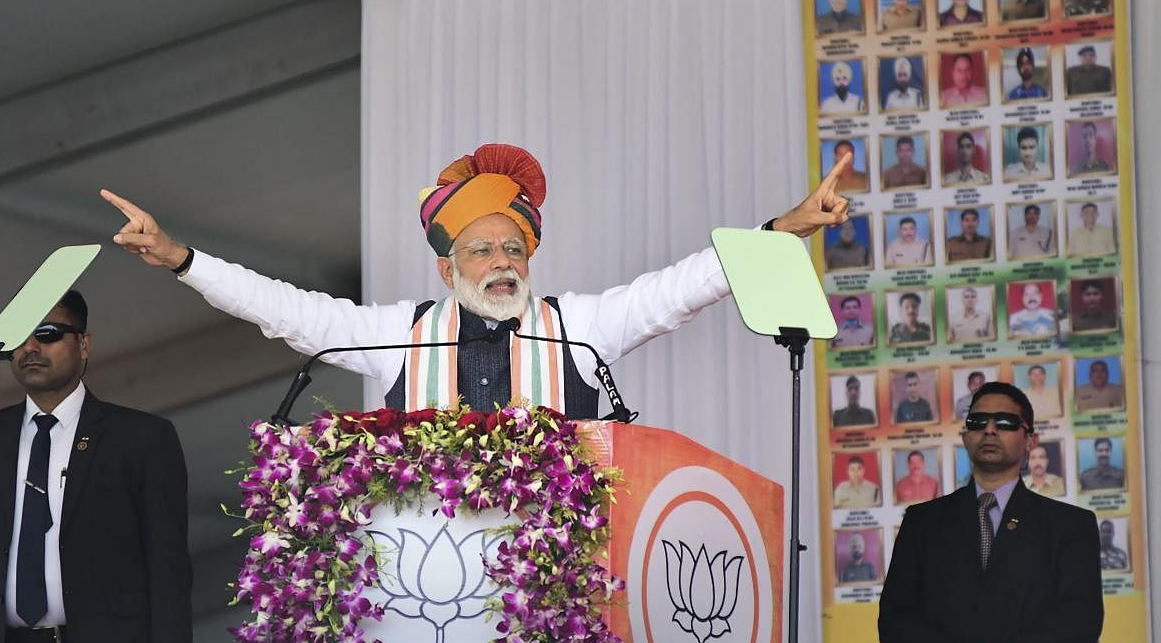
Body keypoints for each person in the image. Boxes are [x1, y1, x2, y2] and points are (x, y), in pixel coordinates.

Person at [104, 144, 849, 418]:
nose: (501, 261)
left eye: (513, 247)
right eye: (481, 249)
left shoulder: (580, 326)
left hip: (563, 585)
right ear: (447, 267)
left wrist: (785, 228)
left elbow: (683, 286)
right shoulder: (402, 335)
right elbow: (292, 314)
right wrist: (183, 260)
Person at [0, 291, 192, 643]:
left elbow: (169, 569)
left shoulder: (141, 438)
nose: (30, 348)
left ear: (84, 344)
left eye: (48, 333)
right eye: (19, 338)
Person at [879, 381, 1103, 643]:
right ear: (965, 437)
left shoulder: (1069, 525)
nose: (990, 430)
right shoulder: (922, 522)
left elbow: (1078, 620)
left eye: (1006, 423)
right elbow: (896, 619)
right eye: (978, 422)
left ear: (1030, 441)